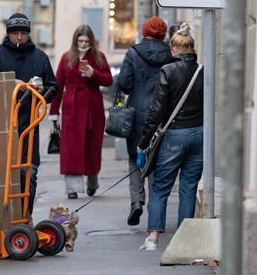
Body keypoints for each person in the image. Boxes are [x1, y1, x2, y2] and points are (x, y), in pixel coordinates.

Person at [0, 13, 57, 216]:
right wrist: (8, 84)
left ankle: (25, 217)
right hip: (1, 124)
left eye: (23, 33)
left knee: (28, 173)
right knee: (1, 176)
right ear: (8, 34)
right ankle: (3, 220)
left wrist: (41, 92)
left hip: (29, 124)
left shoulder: (39, 57)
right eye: (15, 34)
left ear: (28, 34)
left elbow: (53, 87)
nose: (19, 38)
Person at [136, 23, 204, 251]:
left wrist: (143, 142)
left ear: (173, 49)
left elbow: (156, 112)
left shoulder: (167, 71)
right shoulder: (202, 70)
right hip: (199, 134)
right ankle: (183, 239)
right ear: (192, 49)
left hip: (175, 134)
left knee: (161, 187)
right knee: (188, 187)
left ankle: (154, 237)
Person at [116, 17, 172, 225]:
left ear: (144, 31)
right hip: (163, 115)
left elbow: (124, 83)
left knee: (134, 159)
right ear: (163, 34)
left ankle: (137, 202)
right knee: (156, 163)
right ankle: (154, 212)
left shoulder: (133, 53)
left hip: (137, 115)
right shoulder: (170, 54)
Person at [48, 25, 112, 199]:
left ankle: (92, 181)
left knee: (92, 147)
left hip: (93, 108)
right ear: (75, 41)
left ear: (92, 41)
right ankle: (72, 188)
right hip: (72, 107)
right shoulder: (66, 58)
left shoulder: (99, 57)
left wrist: (93, 73)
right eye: (80, 41)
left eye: (86, 41)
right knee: (71, 148)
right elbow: (58, 87)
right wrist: (54, 111)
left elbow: (108, 80)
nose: (83, 44)